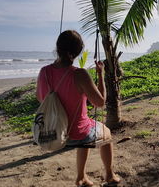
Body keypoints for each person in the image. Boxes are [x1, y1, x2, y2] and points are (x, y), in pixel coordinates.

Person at [36, 30, 120, 187]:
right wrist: (100, 75)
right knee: (105, 133)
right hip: (74, 133)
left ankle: (81, 177)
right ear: (77, 51)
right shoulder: (79, 74)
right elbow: (100, 102)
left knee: (88, 127)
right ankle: (109, 175)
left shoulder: (44, 72)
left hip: (52, 130)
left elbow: (40, 97)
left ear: (58, 47)